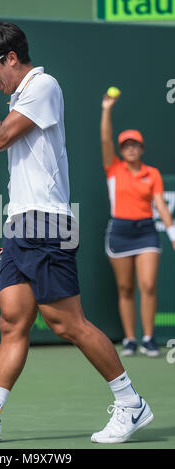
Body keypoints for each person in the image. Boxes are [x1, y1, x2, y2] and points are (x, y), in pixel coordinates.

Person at [0, 21, 154, 444]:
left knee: (66, 323)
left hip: (46, 222)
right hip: (20, 222)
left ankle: (131, 403)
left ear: (11, 57)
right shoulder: (19, 95)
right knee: (13, 322)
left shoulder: (42, 85)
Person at [101, 91, 175, 358]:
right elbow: (106, 139)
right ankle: (130, 339)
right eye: (126, 145)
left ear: (141, 149)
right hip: (120, 231)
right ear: (121, 150)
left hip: (146, 232)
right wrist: (106, 109)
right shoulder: (114, 169)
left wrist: (172, 231)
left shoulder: (151, 173)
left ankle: (148, 338)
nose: (130, 148)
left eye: (135, 144)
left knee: (148, 285)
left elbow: (161, 205)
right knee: (125, 288)